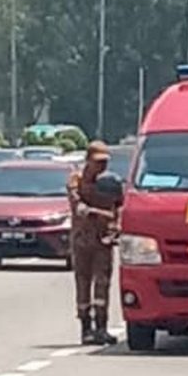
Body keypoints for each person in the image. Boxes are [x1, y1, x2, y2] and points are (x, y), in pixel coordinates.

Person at [67, 141, 121, 345]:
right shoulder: (76, 180)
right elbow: (79, 208)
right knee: (83, 283)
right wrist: (101, 213)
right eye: (98, 162)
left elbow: (120, 206)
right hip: (82, 240)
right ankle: (85, 328)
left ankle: (101, 327)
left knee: (103, 284)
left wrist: (116, 224)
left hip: (103, 239)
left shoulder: (111, 182)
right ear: (88, 161)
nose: (102, 166)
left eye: (105, 162)